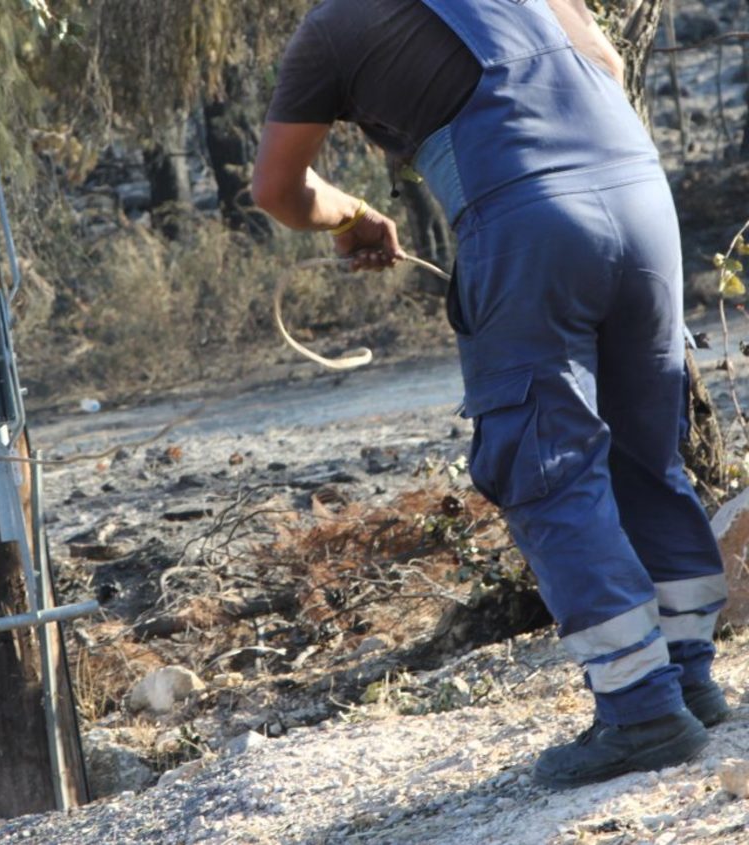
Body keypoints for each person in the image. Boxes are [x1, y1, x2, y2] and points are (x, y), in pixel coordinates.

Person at [252, 0, 730, 790]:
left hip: (529, 218)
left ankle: (641, 712)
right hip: (644, 199)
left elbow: (277, 186)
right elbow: (606, 67)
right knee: (646, 453)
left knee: (547, 464)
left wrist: (353, 214)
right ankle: (688, 677)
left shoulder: (331, 28)